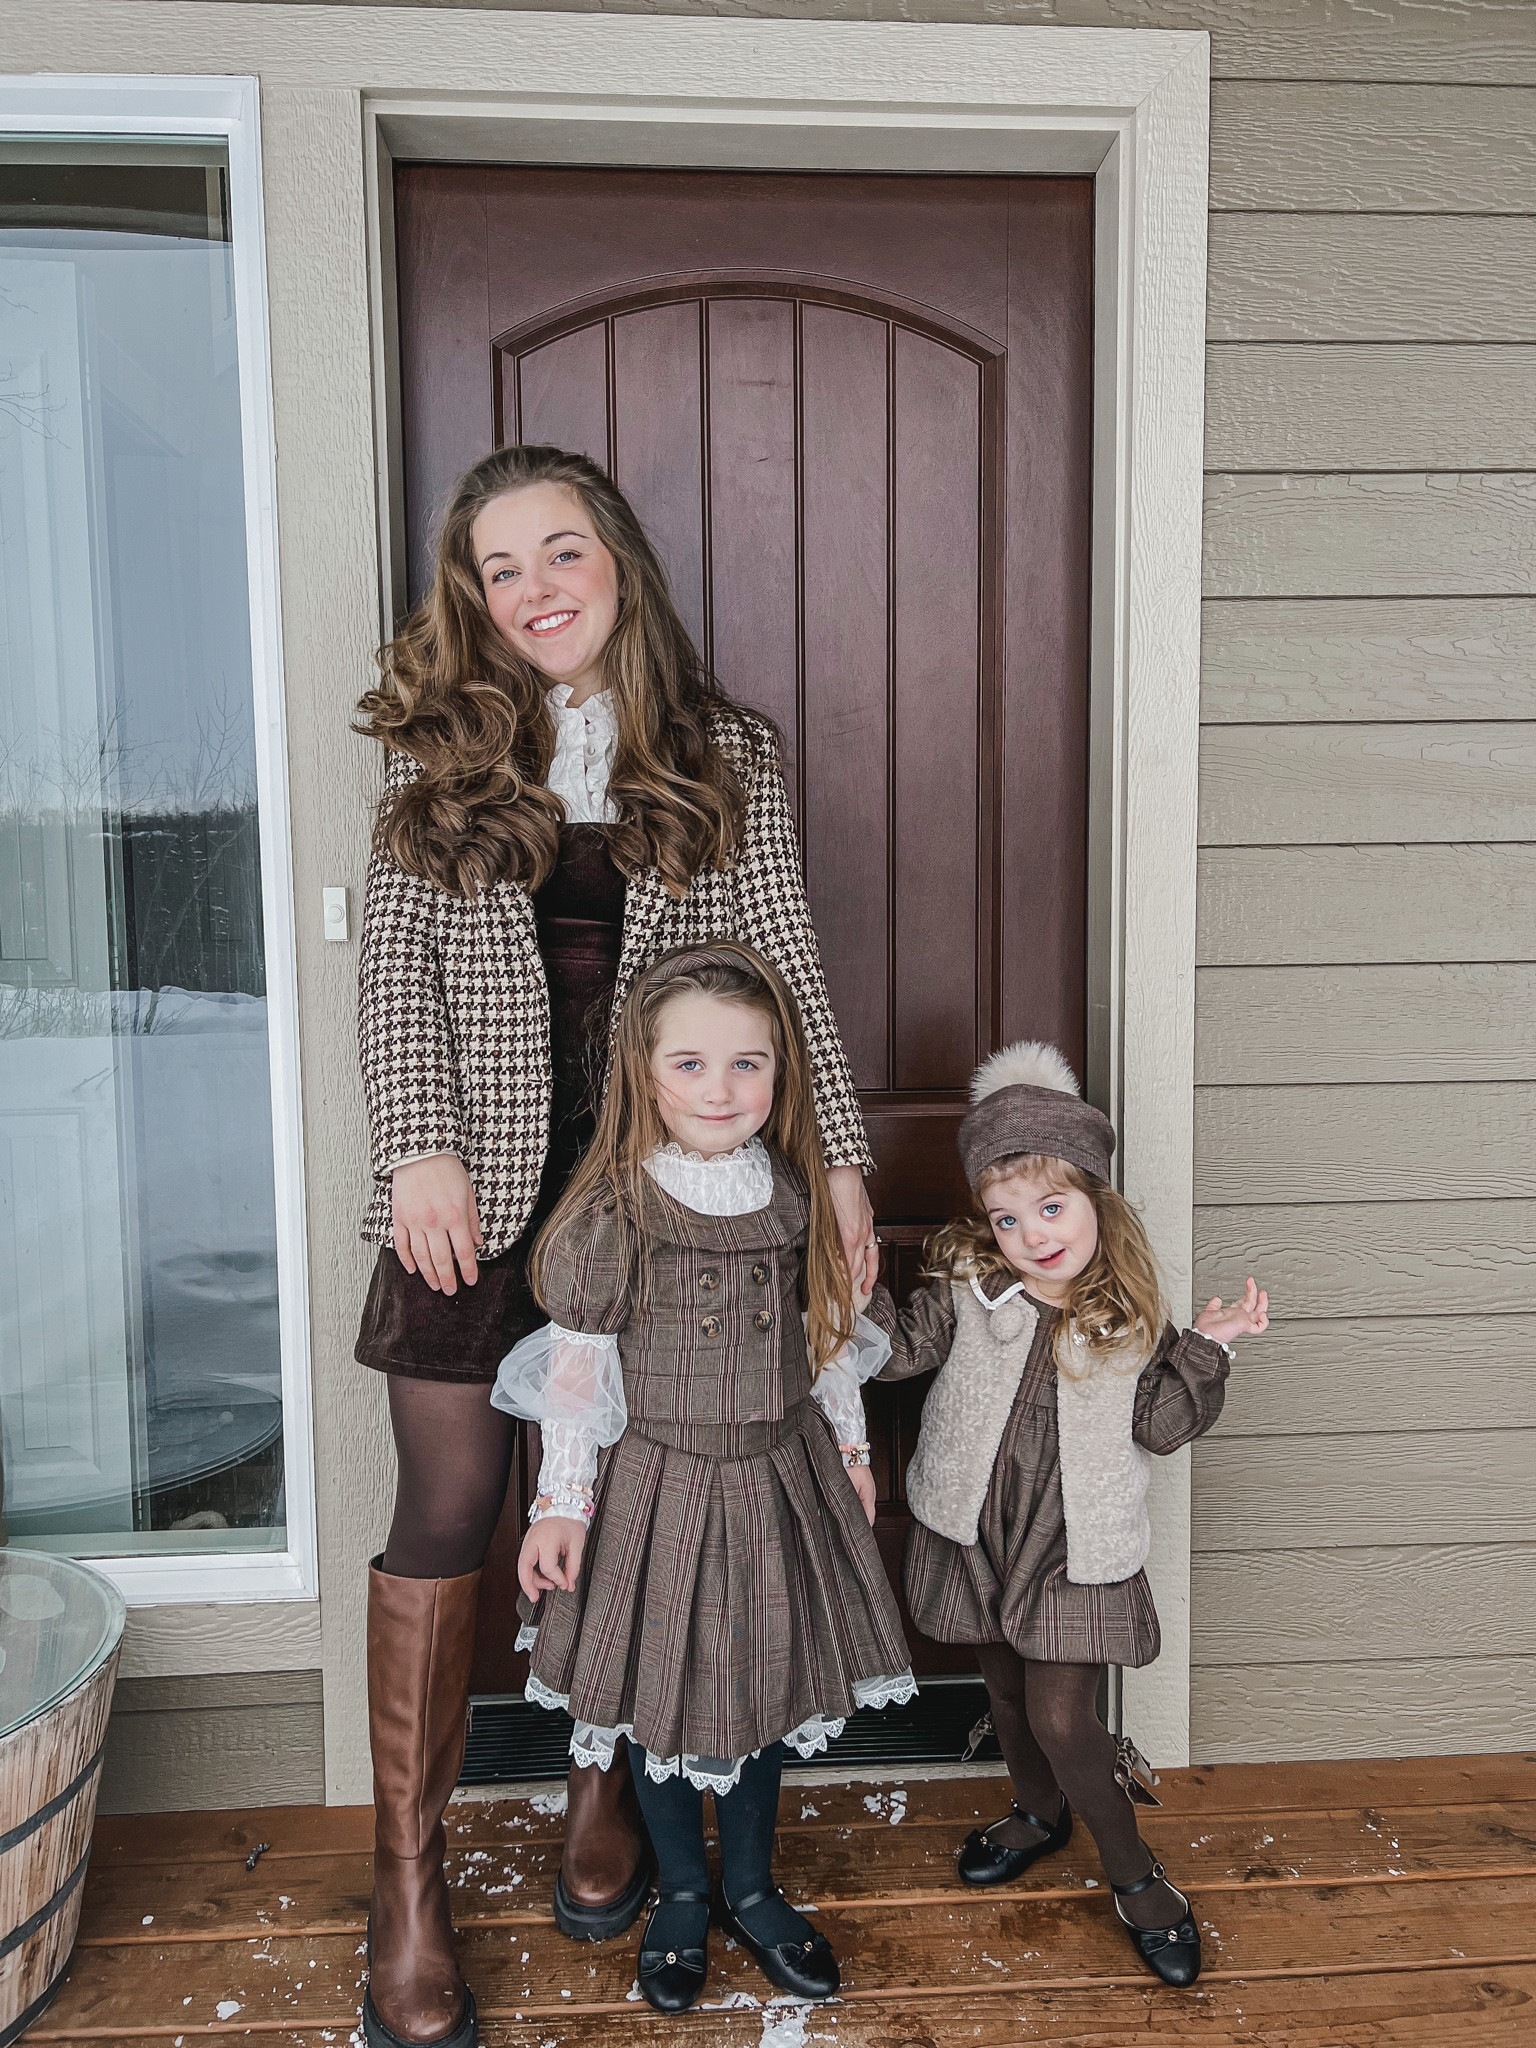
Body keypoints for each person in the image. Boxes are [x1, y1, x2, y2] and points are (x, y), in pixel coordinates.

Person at [353, 447, 877, 2048]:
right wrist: (416, 1147)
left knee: (640, 1477)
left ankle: (605, 1779)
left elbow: (779, 960)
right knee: (449, 1503)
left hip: (666, 1190)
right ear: (475, 603)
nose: (535, 591)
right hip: (479, 1183)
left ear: (620, 562)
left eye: (559, 552)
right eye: (500, 572)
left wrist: (841, 1161)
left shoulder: (725, 757)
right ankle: (411, 1885)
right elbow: (394, 974)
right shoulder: (435, 758)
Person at [494, 941, 914, 2014]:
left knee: (764, 1690)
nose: (720, 1089)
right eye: (689, 1064)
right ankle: (683, 1888)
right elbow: (580, 1378)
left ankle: (753, 1886)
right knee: (664, 1699)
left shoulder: (794, 1196)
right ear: (643, 1071)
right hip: (659, 1488)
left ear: (781, 1074)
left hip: (780, 1475)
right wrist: (561, 1503)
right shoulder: (617, 1213)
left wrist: (856, 1455)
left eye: (747, 1064)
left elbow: (827, 1338)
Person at [868, 1040, 1268, 1989]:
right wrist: (852, 1301)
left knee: (1061, 1714)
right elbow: (894, 1358)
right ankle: (1036, 1815)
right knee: (1005, 1696)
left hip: (1073, 1547)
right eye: (1008, 1219)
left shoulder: (1128, 1316)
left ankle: (1134, 1873)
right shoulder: (969, 1292)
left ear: (1094, 1200)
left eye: (1052, 1209)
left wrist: (1208, 1348)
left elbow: (1162, 1426)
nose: (1034, 1236)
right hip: (977, 1533)